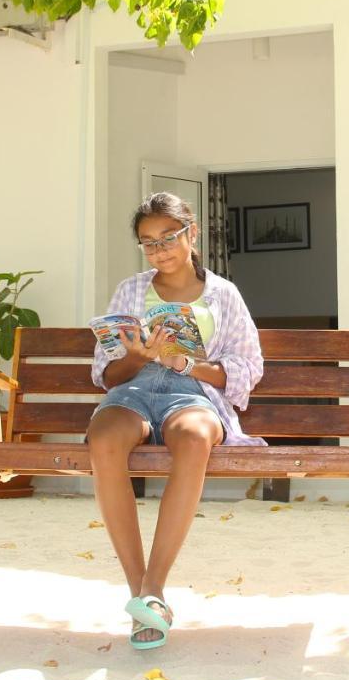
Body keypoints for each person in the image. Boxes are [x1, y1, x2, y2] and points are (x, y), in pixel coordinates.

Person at [88, 192, 265, 650]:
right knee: (103, 438)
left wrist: (187, 364)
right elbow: (106, 374)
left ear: (192, 233)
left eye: (169, 237)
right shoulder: (131, 290)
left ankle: (154, 589)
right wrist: (137, 355)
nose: (160, 249)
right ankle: (140, 593)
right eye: (148, 242)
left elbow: (247, 367)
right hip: (134, 390)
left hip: (193, 392)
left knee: (193, 438)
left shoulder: (223, 294)